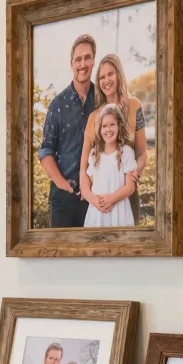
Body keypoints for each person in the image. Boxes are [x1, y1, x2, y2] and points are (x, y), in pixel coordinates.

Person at [80, 53, 147, 223]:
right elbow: (84, 168)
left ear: (119, 75)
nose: (106, 80)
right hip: (100, 204)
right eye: (102, 77)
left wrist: (134, 175)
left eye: (110, 74)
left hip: (127, 198)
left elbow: (142, 153)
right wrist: (93, 199)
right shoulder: (93, 118)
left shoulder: (134, 106)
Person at [38, 34, 96, 228]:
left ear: (93, 61)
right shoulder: (58, 104)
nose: (83, 64)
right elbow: (46, 151)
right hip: (64, 200)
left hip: (96, 198)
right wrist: (65, 186)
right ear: (71, 64)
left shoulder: (102, 100)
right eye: (78, 59)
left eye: (87, 58)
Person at [82, 105, 137, 228]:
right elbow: (90, 186)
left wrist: (111, 199)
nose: (108, 129)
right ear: (100, 129)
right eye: (104, 126)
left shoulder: (126, 152)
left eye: (112, 124)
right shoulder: (94, 154)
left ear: (119, 127)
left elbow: (130, 187)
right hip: (97, 212)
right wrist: (97, 202)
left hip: (119, 209)